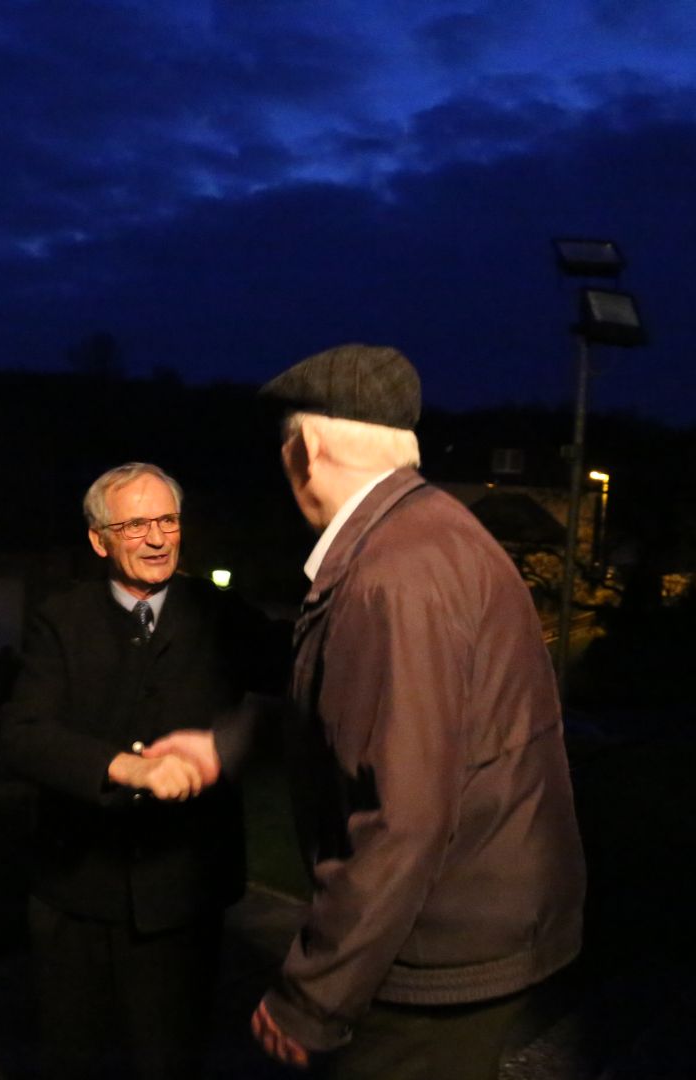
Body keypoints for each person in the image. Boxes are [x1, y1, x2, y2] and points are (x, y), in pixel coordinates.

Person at [251, 344, 585, 1079]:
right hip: (475, 922)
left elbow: (404, 815)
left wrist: (313, 996)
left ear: (306, 450)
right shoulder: (428, 530)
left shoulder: (392, 572)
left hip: (439, 942)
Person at [0, 461, 281, 1080]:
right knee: (74, 1060)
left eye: (167, 520)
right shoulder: (60, 618)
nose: (157, 539)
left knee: (169, 1061)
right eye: (135, 526)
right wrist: (126, 767)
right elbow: (21, 736)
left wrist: (228, 743)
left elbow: (295, 696)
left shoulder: (227, 617)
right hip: (76, 889)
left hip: (182, 892)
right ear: (99, 539)